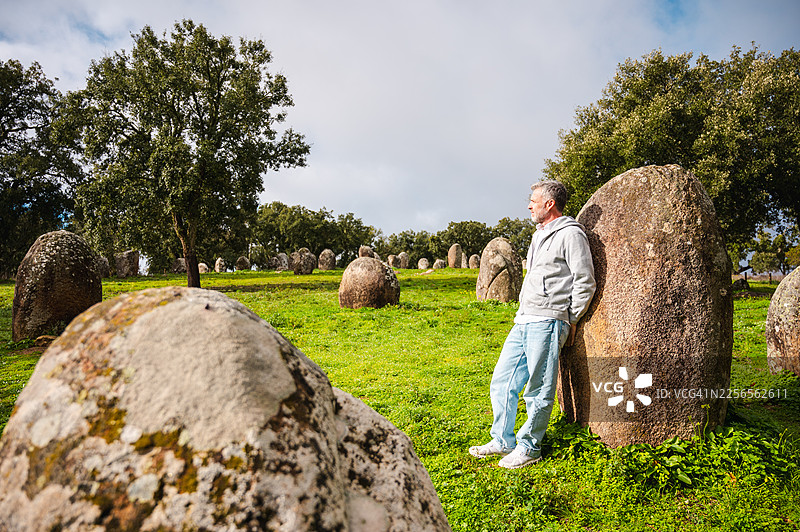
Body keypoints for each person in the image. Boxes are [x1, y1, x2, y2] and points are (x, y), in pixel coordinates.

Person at [469, 180, 596, 468]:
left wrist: (571, 318)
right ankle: (502, 440)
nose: (529, 205)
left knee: (538, 388)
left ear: (549, 204)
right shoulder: (539, 235)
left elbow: (585, 281)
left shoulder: (571, 234)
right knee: (503, 381)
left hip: (549, 320)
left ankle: (530, 447)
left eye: (533, 200)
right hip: (524, 319)